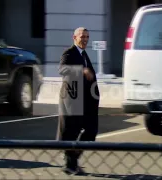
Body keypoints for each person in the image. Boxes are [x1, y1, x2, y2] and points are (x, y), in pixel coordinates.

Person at [56, 27, 100, 175]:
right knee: (71, 132)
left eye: (87, 37)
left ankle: (72, 161)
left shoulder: (84, 54)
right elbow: (62, 69)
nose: (85, 39)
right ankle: (71, 164)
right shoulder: (69, 53)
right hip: (72, 101)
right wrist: (81, 71)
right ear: (74, 38)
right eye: (82, 36)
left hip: (85, 102)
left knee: (91, 131)